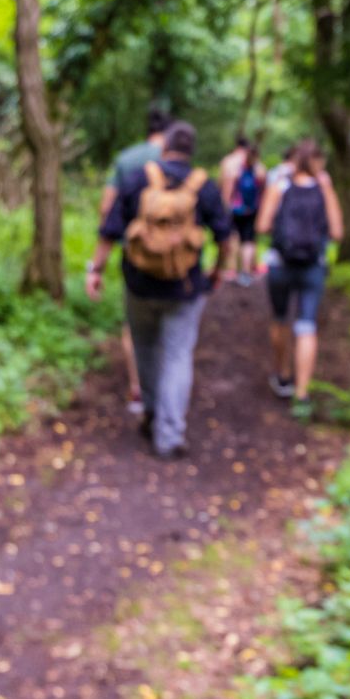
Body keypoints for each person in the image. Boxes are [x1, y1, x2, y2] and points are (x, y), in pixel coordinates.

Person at [88, 121, 231, 458]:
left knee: (145, 347)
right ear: (192, 149)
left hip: (138, 283)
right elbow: (225, 237)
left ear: (164, 145)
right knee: (178, 355)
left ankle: (151, 412)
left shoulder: (139, 177)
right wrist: (218, 270)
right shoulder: (203, 186)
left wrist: (96, 270)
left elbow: (110, 228)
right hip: (184, 287)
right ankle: (169, 435)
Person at [96, 102, 172, 423]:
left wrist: (101, 255)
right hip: (172, 257)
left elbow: (106, 207)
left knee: (134, 325)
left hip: (134, 253)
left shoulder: (127, 159)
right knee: (170, 324)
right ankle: (167, 391)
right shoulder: (175, 160)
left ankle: (137, 388)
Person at [258, 138, 344, 405]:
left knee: (280, 318)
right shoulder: (323, 188)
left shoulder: (281, 185)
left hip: (280, 265)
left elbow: (261, 225)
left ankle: (283, 374)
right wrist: (327, 190)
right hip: (313, 267)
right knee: (307, 325)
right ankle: (303, 392)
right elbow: (337, 232)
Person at [214, 133, 261, 285]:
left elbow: (224, 185)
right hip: (252, 209)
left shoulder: (229, 161)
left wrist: (223, 207)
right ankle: (246, 271)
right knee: (248, 239)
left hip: (235, 207)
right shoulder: (257, 165)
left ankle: (231, 269)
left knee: (232, 235)